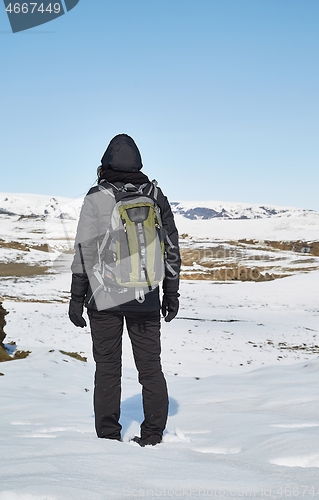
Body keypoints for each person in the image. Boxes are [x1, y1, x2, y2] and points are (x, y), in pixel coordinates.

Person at [68, 134, 181, 446]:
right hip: (145, 296)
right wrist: (171, 293)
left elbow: (84, 251)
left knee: (107, 369)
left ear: (106, 162)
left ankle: (107, 437)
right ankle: (154, 434)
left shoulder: (97, 196)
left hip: (103, 298)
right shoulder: (155, 194)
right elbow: (171, 248)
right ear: (138, 162)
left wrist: (76, 299)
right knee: (150, 368)